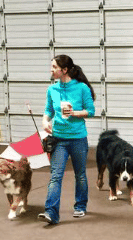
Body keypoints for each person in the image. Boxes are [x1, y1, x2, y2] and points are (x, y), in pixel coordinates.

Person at [38, 55, 95, 225]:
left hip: (78, 138)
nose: (51, 70)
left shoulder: (82, 88)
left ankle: (80, 205)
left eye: (54, 67)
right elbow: (48, 109)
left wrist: (74, 113)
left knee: (81, 175)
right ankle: (51, 213)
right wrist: (44, 121)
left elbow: (90, 111)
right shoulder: (52, 90)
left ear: (64, 70)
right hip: (58, 139)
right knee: (55, 176)